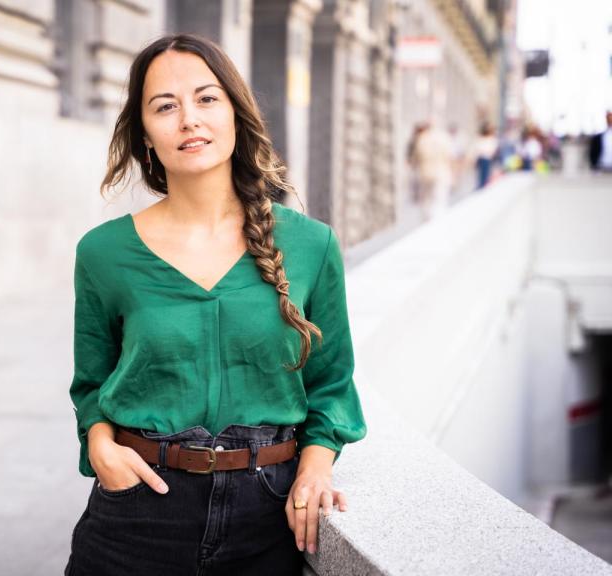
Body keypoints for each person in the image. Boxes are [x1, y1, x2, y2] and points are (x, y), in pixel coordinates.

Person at [65, 33, 367, 576]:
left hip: (268, 515)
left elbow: (333, 386)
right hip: (138, 515)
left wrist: (317, 467)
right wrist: (100, 445)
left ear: (235, 113)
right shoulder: (103, 253)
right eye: (165, 106)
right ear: (145, 138)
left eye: (206, 99)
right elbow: (91, 384)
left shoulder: (311, 245)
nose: (189, 119)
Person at [409, 120, 454, 222]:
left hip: (425, 172)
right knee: (439, 199)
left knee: (426, 200)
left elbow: (415, 158)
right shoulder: (444, 138)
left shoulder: (421, 139)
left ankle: (427, 221)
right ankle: (437, 222)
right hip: (441, 172)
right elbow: (449, 156)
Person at [472, 122, 499, 190]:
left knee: (486, 175)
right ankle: (481, 187)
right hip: (481, 158)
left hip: (487, 159)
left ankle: (484, 187)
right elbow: (477, 149)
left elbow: (493, 149)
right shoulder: (480, 138)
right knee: (481, 176)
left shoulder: (492, 138)